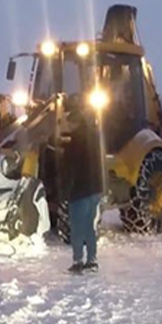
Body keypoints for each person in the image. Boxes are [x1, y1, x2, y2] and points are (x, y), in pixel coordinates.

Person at [61, 102, 105, 274]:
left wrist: (65, 189)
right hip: (94, 189)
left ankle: (78, 261)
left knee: (77, 228)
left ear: (75, 123)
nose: (67, 125)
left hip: (80, 191)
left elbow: (71, 169)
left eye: (69, 123)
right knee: (89, 226)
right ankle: (92, 260)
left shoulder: (73, 144)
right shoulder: (95, 138)